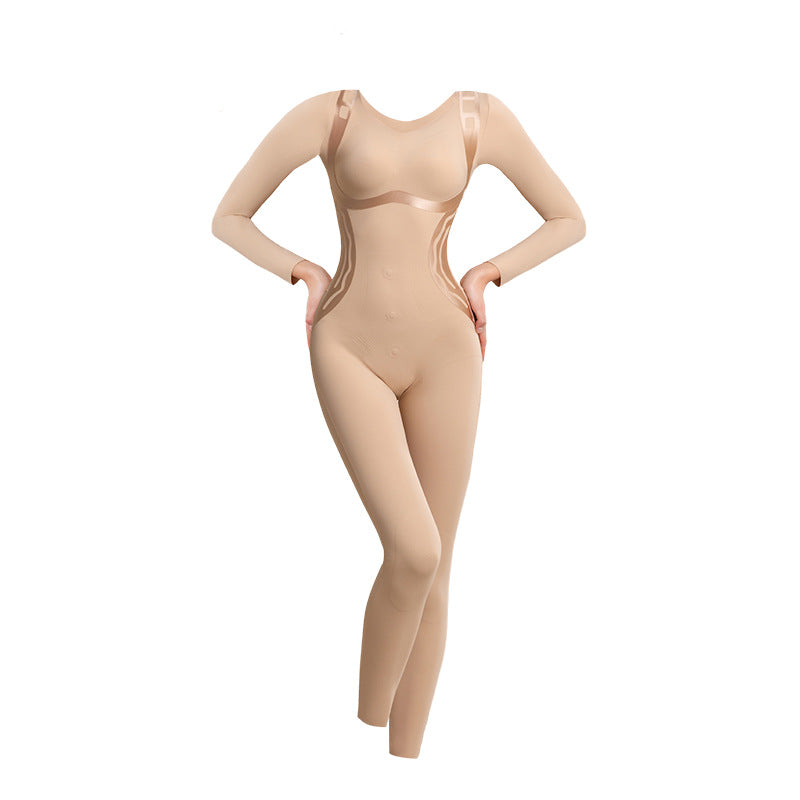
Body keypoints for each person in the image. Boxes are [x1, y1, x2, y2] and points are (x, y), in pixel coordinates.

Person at [211, 88, 586, 758]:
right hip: (347, 346)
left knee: (436, 571)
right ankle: (363, 729)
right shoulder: (332, 112)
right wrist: (303, 272)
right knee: (415, 549)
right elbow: (229, 217)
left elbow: (568, 219)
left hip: (447, 351)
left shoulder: (480, 116)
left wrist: (488, 274)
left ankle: (404, 762)